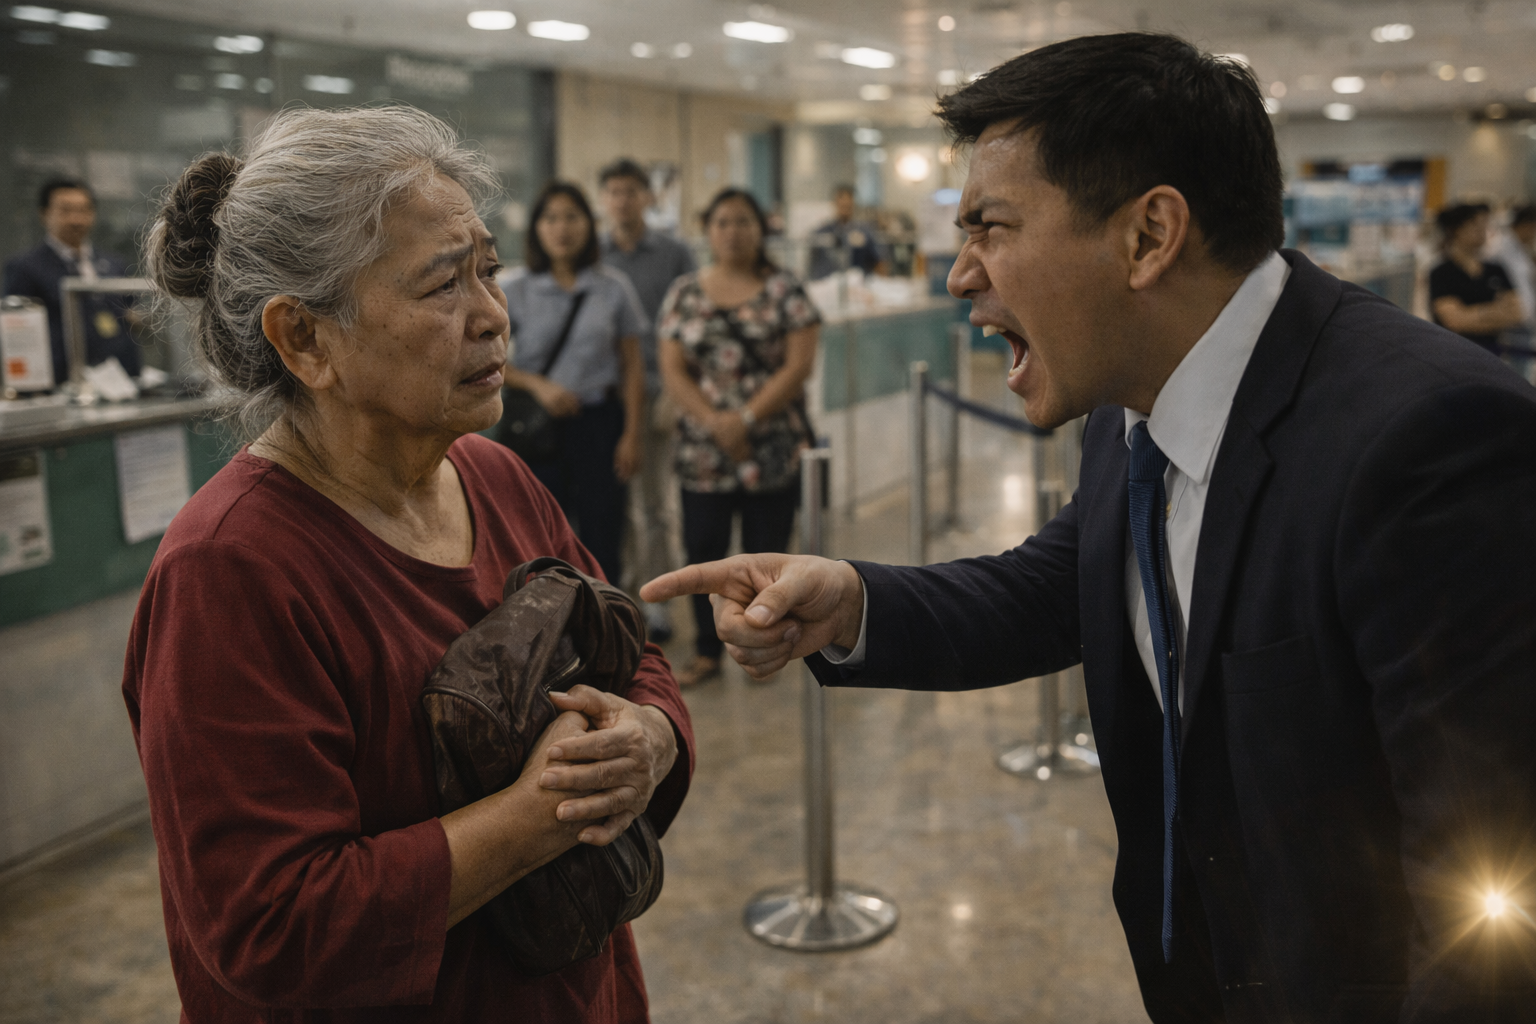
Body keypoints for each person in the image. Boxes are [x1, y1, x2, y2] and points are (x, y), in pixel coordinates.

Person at [644, 33, 1536, 1022]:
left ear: (1149, 236)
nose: (961, 275)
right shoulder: (1131, 398)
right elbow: (1066, 582)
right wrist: (853, 601)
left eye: (991, 227)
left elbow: (1498, 901)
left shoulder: (1430, 441)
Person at [124, 106, 692, 1024]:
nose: (493, 317)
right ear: (305, 339)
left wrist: (651, 737)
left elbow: (632, 656)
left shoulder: (497, 476)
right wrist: (543, 808)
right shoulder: (229, 572)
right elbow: (272, 928)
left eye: (489, 272)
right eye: (442, 286)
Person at [657, 187, 820, 687]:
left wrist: (744, 419)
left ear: (761, 228)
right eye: (722, 222)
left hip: (770, 445)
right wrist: (716, 422)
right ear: (708, 230)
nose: (732, 231)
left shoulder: (786, 290)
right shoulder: (685, 292)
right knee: (703, 551)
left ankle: (761, 646)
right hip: (703, 451)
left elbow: (799, 365)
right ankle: (707, 650)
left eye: (743, 221)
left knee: (766, 551)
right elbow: (672, 369)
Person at [502, 181, 647, 586]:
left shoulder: (612, 287)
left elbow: (632, 366)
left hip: (600, 423)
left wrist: (632, 434)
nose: (561, 228)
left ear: (589, 224)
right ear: (536, 228)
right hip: (537, 428)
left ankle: (607, 618)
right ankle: (548, 622)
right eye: (550, 218)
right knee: (539, 539)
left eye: (571, 217)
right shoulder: (514, 288)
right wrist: (538, 385)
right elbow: (486, 359)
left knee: (603, 534)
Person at [598, 158, 698, 641]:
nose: (623, 200)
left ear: (648, 197)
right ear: (604, 199)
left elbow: (693, 323)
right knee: (615, 506)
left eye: (631, 191)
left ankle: (658, 601)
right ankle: (623, 595)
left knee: (656, 504)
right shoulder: (593, 255)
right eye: (614, 192)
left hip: (659, 393)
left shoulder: (675, 253)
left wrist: (680, 395)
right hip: (605, 395)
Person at [3, 178, 140, 384]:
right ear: (44, 214)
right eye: (65, 211)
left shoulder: (114, 264)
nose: (76, 220)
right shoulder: (25, 268)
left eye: (83, 210)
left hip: (122, 378)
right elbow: (18, 333)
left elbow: (131, 314)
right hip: (62, 381)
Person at [1428, 202, 1523, 354]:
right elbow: (1454, 321)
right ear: (1456, 230)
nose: (1481, 230)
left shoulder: (1495, 269)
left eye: (1483, 225)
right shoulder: (1442, 272)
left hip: (1491, 352)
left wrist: (1471, 314)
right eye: (1474, 225)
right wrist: (1496, 310)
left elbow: (1516, 313)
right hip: (1453, 352)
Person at [1485, 203, 1536, 378]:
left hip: (1523, 319)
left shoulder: (1520, 248)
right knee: (1515, 373)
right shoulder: (1501, 248)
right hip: (1511, 322)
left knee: (1522, 370)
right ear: (1527, 225)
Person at [806, 184, 887, 280]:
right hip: (827, 281)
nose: (845, 205)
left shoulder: (864, 231)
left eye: (848, 204)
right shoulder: (822, 232)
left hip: (858, 282)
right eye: (842, 203)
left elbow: (878, 261)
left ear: (853, 204)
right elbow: (812, 263)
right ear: (835, 203)